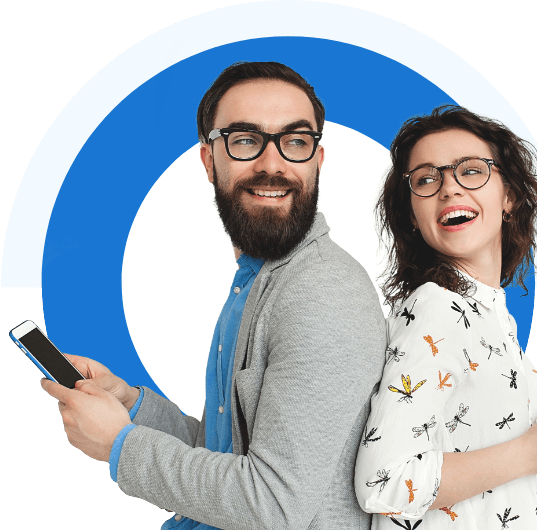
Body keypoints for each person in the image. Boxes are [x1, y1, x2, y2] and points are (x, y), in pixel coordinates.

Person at [41, 62, 387, 530]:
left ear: (317, 161)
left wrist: (119, 444)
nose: (273, 164)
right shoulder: (259, 278)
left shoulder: (322, 293)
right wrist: (132, 409)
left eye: (296, 141)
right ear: (209, 160)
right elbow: (228, 452)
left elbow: (272, 505)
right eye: (245, 140)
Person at [354, 105, 537, 529]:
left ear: (509, 196)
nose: (449, 188)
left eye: (471, 171)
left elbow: (466, 428)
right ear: (412, 216)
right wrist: (531, 451)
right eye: (426, 179)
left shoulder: (489, 313)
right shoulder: (437, 308)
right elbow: (383, 482)